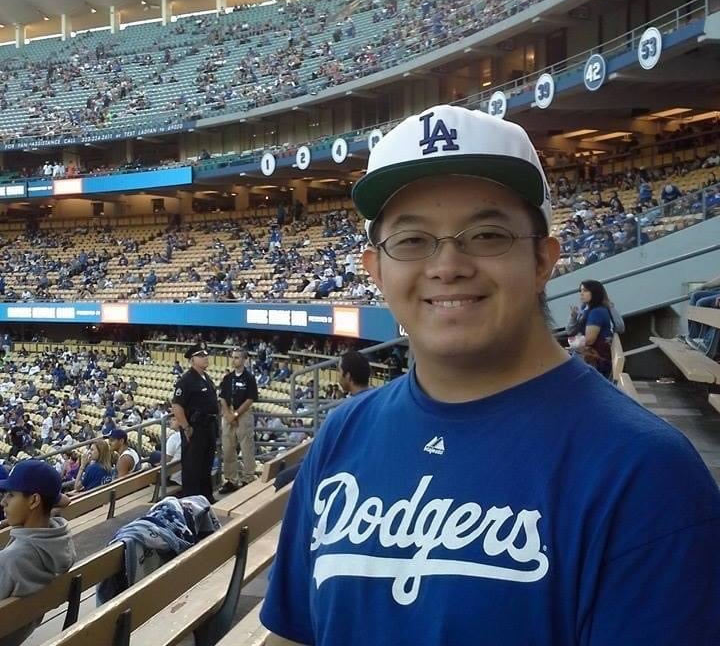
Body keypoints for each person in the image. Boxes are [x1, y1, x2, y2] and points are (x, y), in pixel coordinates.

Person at [260, 104, 720, 646]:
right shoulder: (343, 433)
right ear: (375, 270)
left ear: (544, 260)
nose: (448, 265)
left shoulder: (646, 474)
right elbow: (293, 634)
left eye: (486, 235)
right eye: (411, 240)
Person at [0, 460, 76, 646]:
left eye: (10, 495)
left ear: (34, 500)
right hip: (21, 629)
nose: (3, 502)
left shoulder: (12, 559)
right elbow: (62, 500)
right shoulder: (61, 539)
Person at [274, 351, 372, 493]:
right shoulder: (377, 400)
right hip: (354, 463)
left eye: (339, 371)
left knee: (282, 479)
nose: (338, 377)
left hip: (340, 467)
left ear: (348, 376)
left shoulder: (345, 411)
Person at [171, 342, 219, 503]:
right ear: (192, 360)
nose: (205, 358)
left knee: (206, 463)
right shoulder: (186, 380)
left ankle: (206, 496)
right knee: (193, 465)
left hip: (209, 426)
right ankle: (191, 499)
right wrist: (185, 426)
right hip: (195, 427)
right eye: (201, 356)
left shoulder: (206, 378)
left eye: (206, 355)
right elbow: (177, 405)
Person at [218, 348, 258, 494]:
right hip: (228, 413)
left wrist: (235, 414)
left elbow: (250, 399)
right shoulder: (228, 378)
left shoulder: (249, 378)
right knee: (228, 449)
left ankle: (248, 478)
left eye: (237, 357)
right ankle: (231, 480)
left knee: (246, 448)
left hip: (243, 414)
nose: (234, 360)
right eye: (233, 357)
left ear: (243, 360)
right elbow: (222, 397)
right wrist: (228, 414)